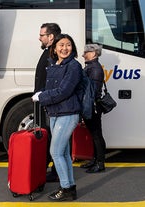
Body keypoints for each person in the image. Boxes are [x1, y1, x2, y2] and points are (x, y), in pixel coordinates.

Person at [32, 34, 82, 201]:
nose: (64, 48)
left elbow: (64, 91)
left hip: (68, 113)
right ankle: (70, 187)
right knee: (64, 153)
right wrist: (43, 95)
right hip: (55, 113)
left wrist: (42, 97)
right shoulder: (55, 64)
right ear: (54, 48)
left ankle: (66, 188)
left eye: (68, 45)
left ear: (72, 48)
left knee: (55, 151)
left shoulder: (74, 66)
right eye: (61, 45)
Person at [35, 23, 61, 182]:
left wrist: (44, 97)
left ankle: (56, 172)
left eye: (42, 35)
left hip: (49, 103)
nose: (39, 38)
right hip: (46, 101)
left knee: (53, 138)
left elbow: (53, 81)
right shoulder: (49, 52)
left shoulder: (52, 54)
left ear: (50, 37)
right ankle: (50, 169)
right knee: (50, 137)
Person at [80, 44, 106, 173]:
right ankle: (95, 160)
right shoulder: (91, 67)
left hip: (93, 106)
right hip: (91, 106)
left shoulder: (94, 68)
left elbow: (93, 93)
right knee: (94, 134)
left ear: (94, 53)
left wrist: (87, 110)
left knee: (96, 135)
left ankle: (100, 163)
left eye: (86, 52)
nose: (83, 54)